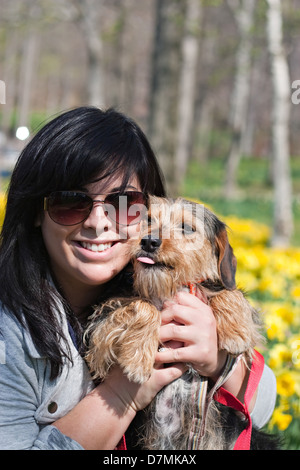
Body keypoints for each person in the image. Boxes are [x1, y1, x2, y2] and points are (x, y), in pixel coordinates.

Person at [0, 107, 276, 450]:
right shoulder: (9, 335)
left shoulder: (166, 285)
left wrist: (218, 362)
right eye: (69, 202)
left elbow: (264, 409)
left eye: (123, 204)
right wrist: (123, 392)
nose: (98, 222)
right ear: (35, 214)